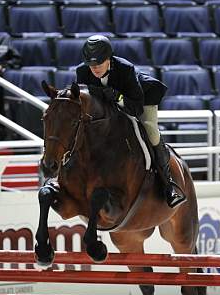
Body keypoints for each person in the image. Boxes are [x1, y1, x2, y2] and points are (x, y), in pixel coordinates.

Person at [75, 35, 185, 208]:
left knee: (151, 131)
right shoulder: (82, 71)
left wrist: (118, 97)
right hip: (106, 108)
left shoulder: (125, 69)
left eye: (99, 63)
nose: (94, 68)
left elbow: (136, 108)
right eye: (91, 65)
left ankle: (168, 184)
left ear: (109, 59)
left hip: (138, 100)